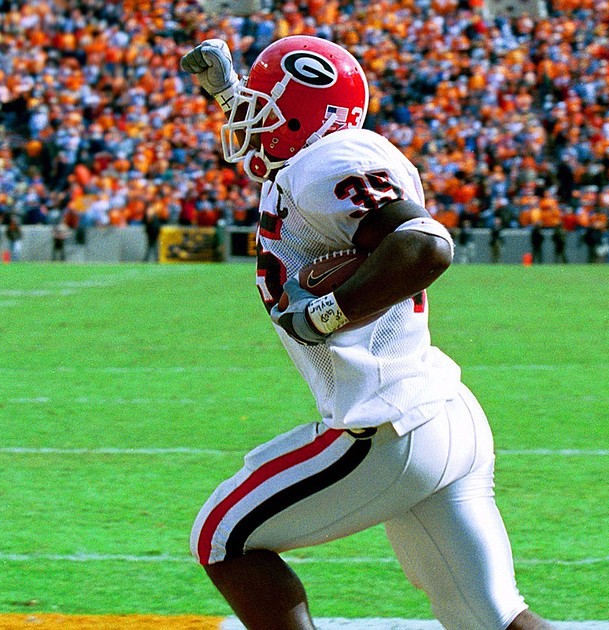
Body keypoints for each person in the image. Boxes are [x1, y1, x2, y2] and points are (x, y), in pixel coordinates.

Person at [180, 36, 554, 630]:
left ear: (304, 116)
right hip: (439, 411)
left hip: (384, 426)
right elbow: (278, 145)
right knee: (490, 618)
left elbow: (424, 244)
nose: (247, 122)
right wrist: (227, 88)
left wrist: (326, 313)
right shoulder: (308, 162)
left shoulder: (333, 158)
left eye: (262, 108)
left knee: (223, 536)